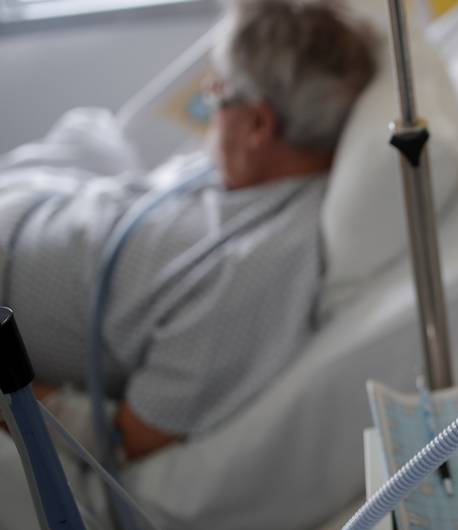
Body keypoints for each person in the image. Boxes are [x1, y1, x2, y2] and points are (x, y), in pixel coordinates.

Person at [0, 0, 378, 460]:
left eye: (217, 95)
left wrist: (12, 396)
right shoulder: (244, 175)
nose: (207, 100)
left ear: (259, 125)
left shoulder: (254, 267)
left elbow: (121, 436)